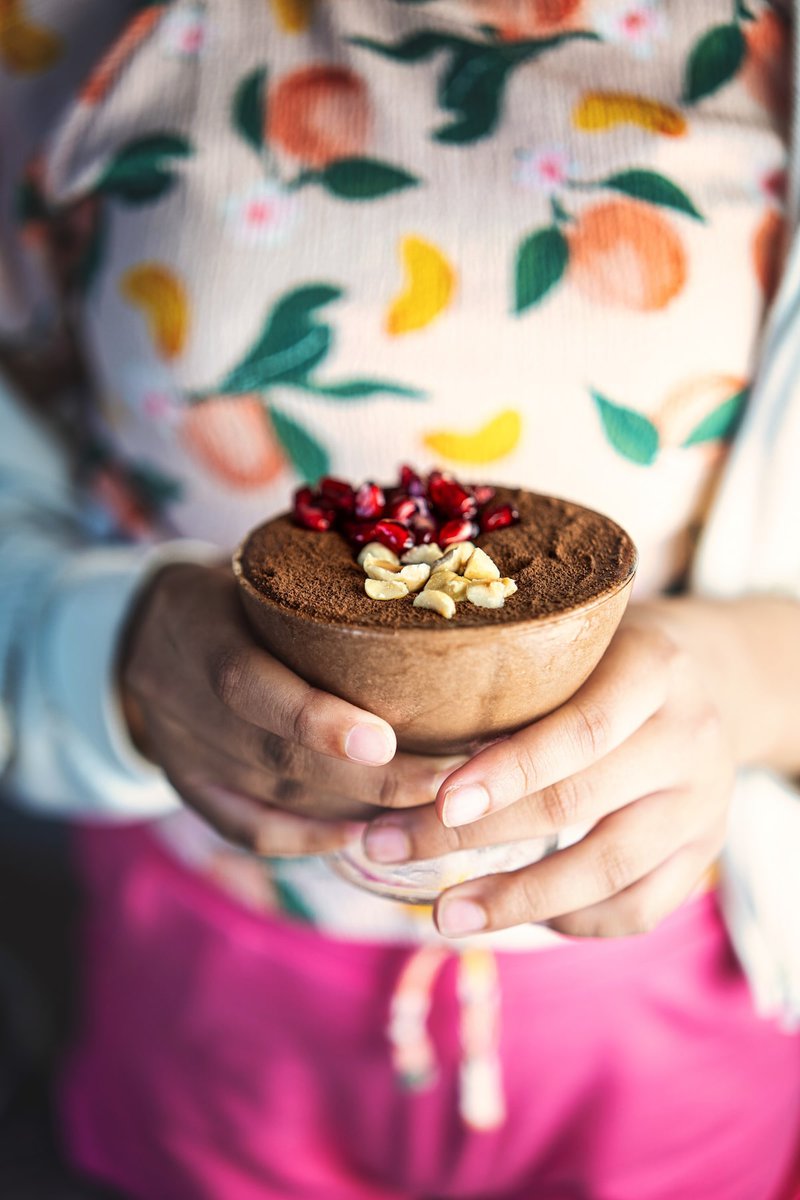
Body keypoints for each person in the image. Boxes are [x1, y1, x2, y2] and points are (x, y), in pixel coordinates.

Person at [2, 1, 800, 1196]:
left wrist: (733, 677)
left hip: (673, 992)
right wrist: (105, 652)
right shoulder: (64, 35)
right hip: (207, 982)